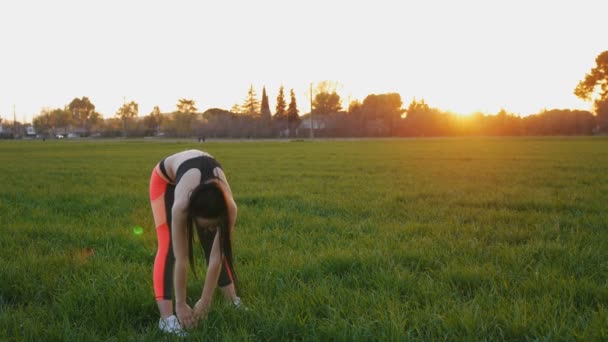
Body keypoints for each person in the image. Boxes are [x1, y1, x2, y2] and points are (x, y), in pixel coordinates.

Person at [149, 149, 241, 335]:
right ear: (192, 214)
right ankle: (166, 319)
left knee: (214, 246)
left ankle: (232, 301)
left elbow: (217, 257)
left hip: (200, 184)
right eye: (204, 226)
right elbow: (182, 259)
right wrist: (181, 304)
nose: (207, 230)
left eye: (213, 225)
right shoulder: (182, 207)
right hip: (165, 180)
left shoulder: (229, 207)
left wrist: (205, 301)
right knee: (168, 248)